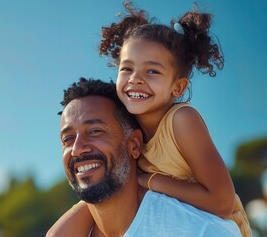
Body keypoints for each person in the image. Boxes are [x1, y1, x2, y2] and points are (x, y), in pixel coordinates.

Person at [48, 1, 251, 237]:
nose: (135, 79)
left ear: (177, 87)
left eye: (152, 71)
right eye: (126, 69)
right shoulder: (129, 131)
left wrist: (149, 181)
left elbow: (222, 202)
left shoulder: (181, 120)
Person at [48, 77, 241, 236]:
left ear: (134, 145)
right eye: (68, 138)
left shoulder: (199, 231)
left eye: (96, 131)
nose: (77, 148)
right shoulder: (72, 230)